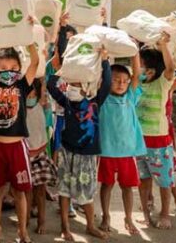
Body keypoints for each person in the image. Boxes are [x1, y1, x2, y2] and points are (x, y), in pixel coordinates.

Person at [0, 16, 40, 243]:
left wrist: (28, 34)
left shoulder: (22, 85)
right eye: (3, 67)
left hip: (17, 147)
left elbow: (34, 62)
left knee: (20, 193)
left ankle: (22, 232)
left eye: (14, 67)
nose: (9, 71)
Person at [47, 47, 112, 241]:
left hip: (87, 153)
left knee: (87, 193)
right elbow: (51, 85)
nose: (75, 87)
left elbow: (107, 84)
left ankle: (90, 225)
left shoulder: (95, 101)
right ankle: (65, 228)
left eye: (78, 83)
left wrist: (105, 61)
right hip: (67, 151)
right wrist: (59, 70)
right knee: (64, 190)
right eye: (72, 83)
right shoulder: (66, 101)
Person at [99, 56, 145, 236]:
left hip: (127, 152)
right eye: (116, 80)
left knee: (127, 187)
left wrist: (135, 54)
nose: (121, 84)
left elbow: (136, 76)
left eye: (125, 81)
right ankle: (105, 216)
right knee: (107, 185)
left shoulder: (130, 97)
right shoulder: (102, 97)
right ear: (108, 81)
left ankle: (128, 217)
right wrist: (104, 59)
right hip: (107, 151)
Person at [136, 36, 176, 229]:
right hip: (138, 142)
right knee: (143, 181)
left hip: (159, 142)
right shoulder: (138, 83)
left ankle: (165, 214)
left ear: (152, 66)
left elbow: (171, 68)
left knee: (164, 180)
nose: (140, 67)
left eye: (142, 63)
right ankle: (145, 213)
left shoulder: (162, 83)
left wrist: (163, 46)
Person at [25, 80, 55, 236]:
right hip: (25, 156)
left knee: (40, 192)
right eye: (27, 93)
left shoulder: (42, 107)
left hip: (40, 154)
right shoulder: (20, 110)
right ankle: (25, 221)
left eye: (33, 93)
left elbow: (43, 85)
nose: (30, 95)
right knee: (27, 192)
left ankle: (42, 221)